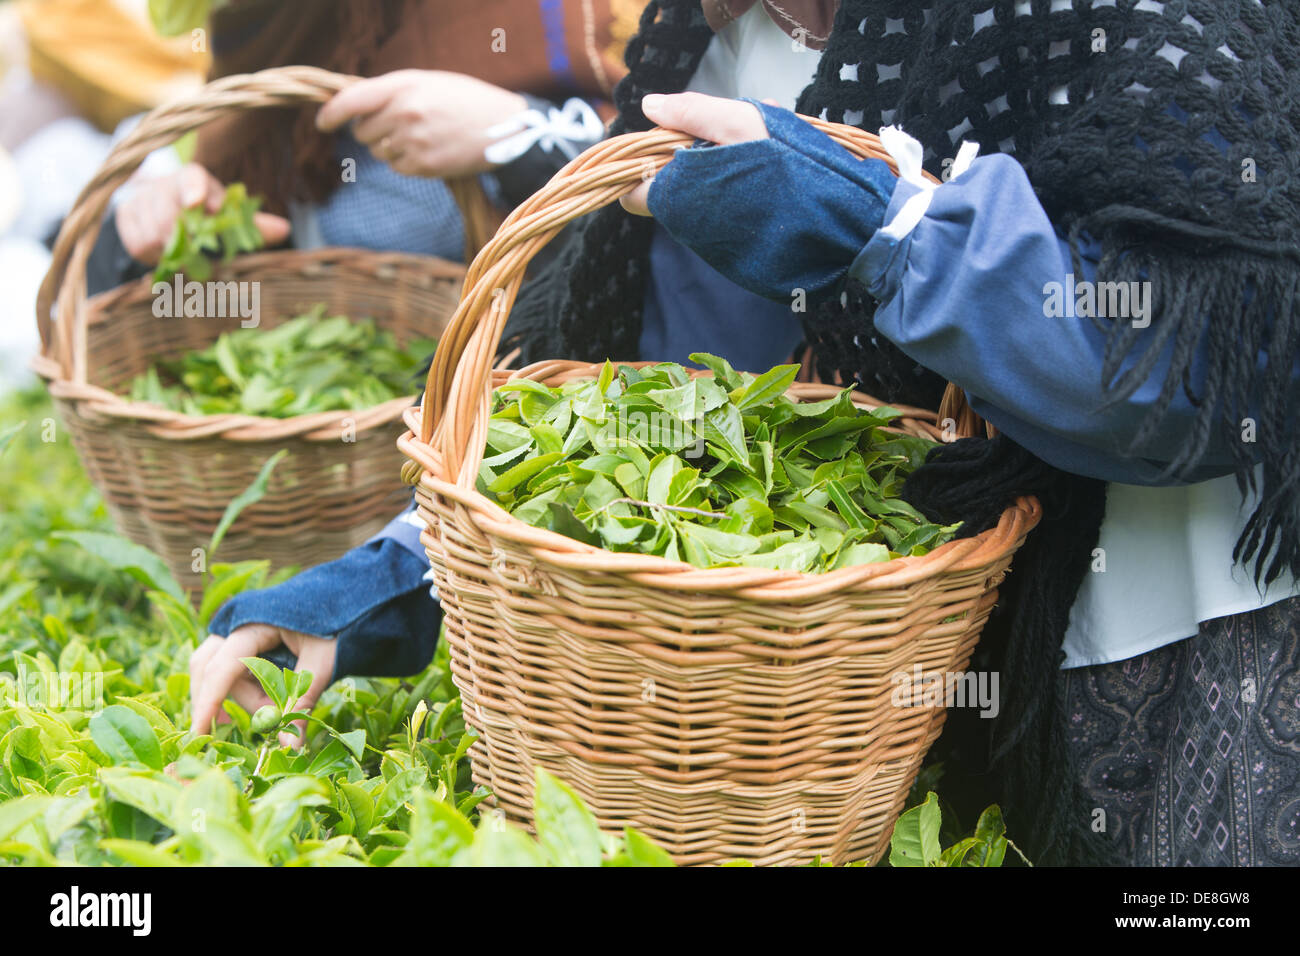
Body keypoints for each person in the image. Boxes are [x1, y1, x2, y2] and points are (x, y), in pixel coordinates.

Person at [194, 0, 1300, 867]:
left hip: (1173, 620)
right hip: (901, 666)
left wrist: (895, 227)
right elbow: (663, 381)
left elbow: (1198, 368)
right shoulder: (726, 31)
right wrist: (398, 578)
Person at [87, 0, 632, 291]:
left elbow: (673, 175)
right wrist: (158, 227)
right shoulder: (255, 36)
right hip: (342, 438)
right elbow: (209, 293)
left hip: (515, 391)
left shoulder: (532, 19)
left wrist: (517, 130)